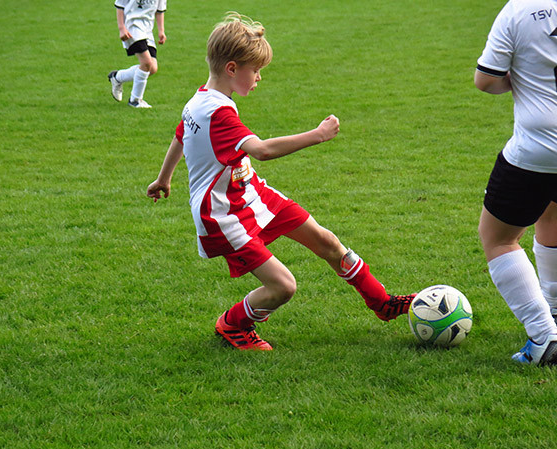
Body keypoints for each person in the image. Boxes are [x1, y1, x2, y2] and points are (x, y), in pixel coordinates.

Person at [147, 13, 415, 350]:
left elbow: (181, 135)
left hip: (251, 193)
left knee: (327, 241)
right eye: (255, 70)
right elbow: (261, 151)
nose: (259, 78)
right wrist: (317, 135)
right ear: (232, 69)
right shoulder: (218, 113)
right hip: (223, 215)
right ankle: (233, 324)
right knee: (283, 287)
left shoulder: (199, 100)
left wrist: (163, 178)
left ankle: (382, 304)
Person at [475, 0, 557, 365]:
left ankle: (544, 337)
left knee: (499, 239)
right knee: (551, 218)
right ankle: (553, 311)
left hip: (538, 147)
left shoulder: (518, 10)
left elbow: (487, 79)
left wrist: (522, 78)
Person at [108, 0, 167, 109]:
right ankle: (135, 100)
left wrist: (161, 31)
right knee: (146, 63)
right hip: (132, 27)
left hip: (147, 31)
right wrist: (121, 29)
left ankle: (117, 77)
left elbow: (159, 11)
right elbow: (120, 6)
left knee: (152, 68)